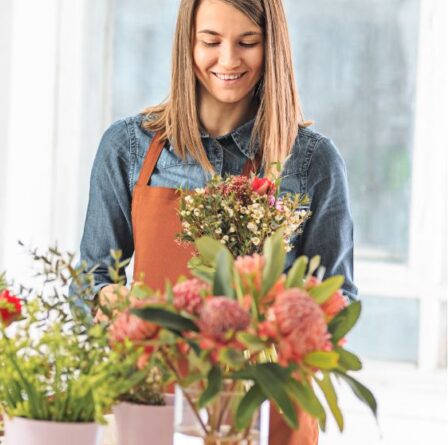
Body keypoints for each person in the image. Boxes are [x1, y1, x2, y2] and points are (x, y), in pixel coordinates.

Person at [78, 0, 356, 443]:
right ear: (187, 43)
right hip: (152, 405)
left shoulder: (311, 161)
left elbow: (338, 298)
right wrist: (110, 300)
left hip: (267, 411)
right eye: (211, 41)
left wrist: (279, 326)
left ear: (272, 48)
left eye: (248, 42)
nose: (228, 60)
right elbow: (91, 278)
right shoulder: (129, 148)